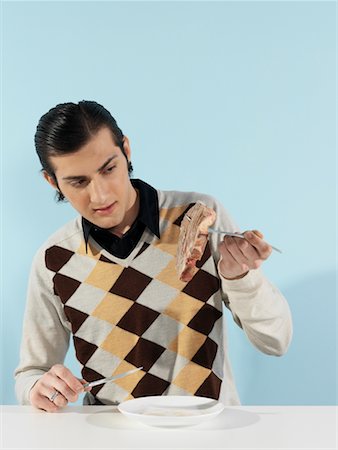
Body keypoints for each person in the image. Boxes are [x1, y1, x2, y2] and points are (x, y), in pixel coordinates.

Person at [15, 100, 293, 412]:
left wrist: (241, 278)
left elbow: (276, 341)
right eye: (78, 182)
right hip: (107, 437)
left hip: (206, 433)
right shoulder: (55, 259)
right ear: (52, 181)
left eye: (109, 169)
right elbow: (31, 374)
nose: (101, 195)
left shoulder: (200, 216)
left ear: (126, 150)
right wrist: (38, 388)